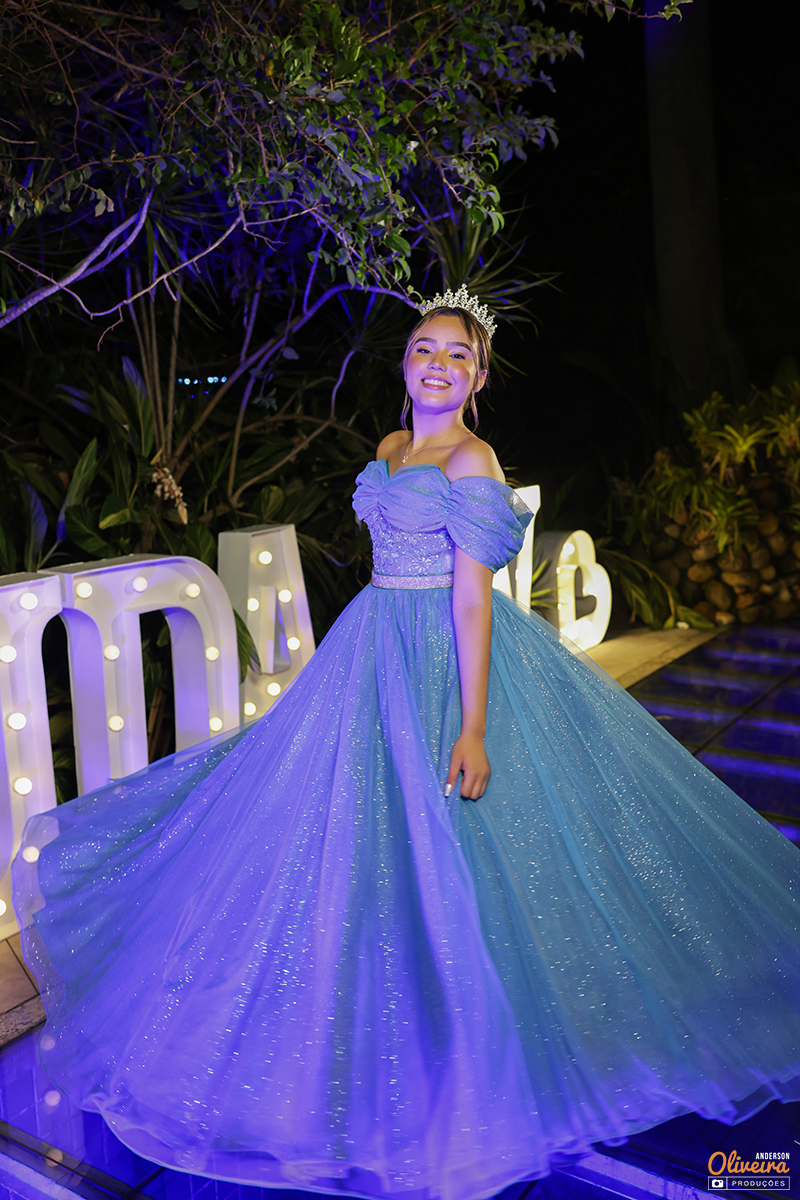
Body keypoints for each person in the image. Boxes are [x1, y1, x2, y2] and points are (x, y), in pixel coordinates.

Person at [13, 288, 800, 1200]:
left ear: (478, 378)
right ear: (405, 362)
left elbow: (471, 599)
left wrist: (473, 724)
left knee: (462, 845)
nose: (438, 364)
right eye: (426, 348)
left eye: (458, 355)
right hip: (372, 644)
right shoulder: (391, 448)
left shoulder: (473, 459)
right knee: (356, 832)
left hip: (441, 655)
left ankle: (469, 1040)